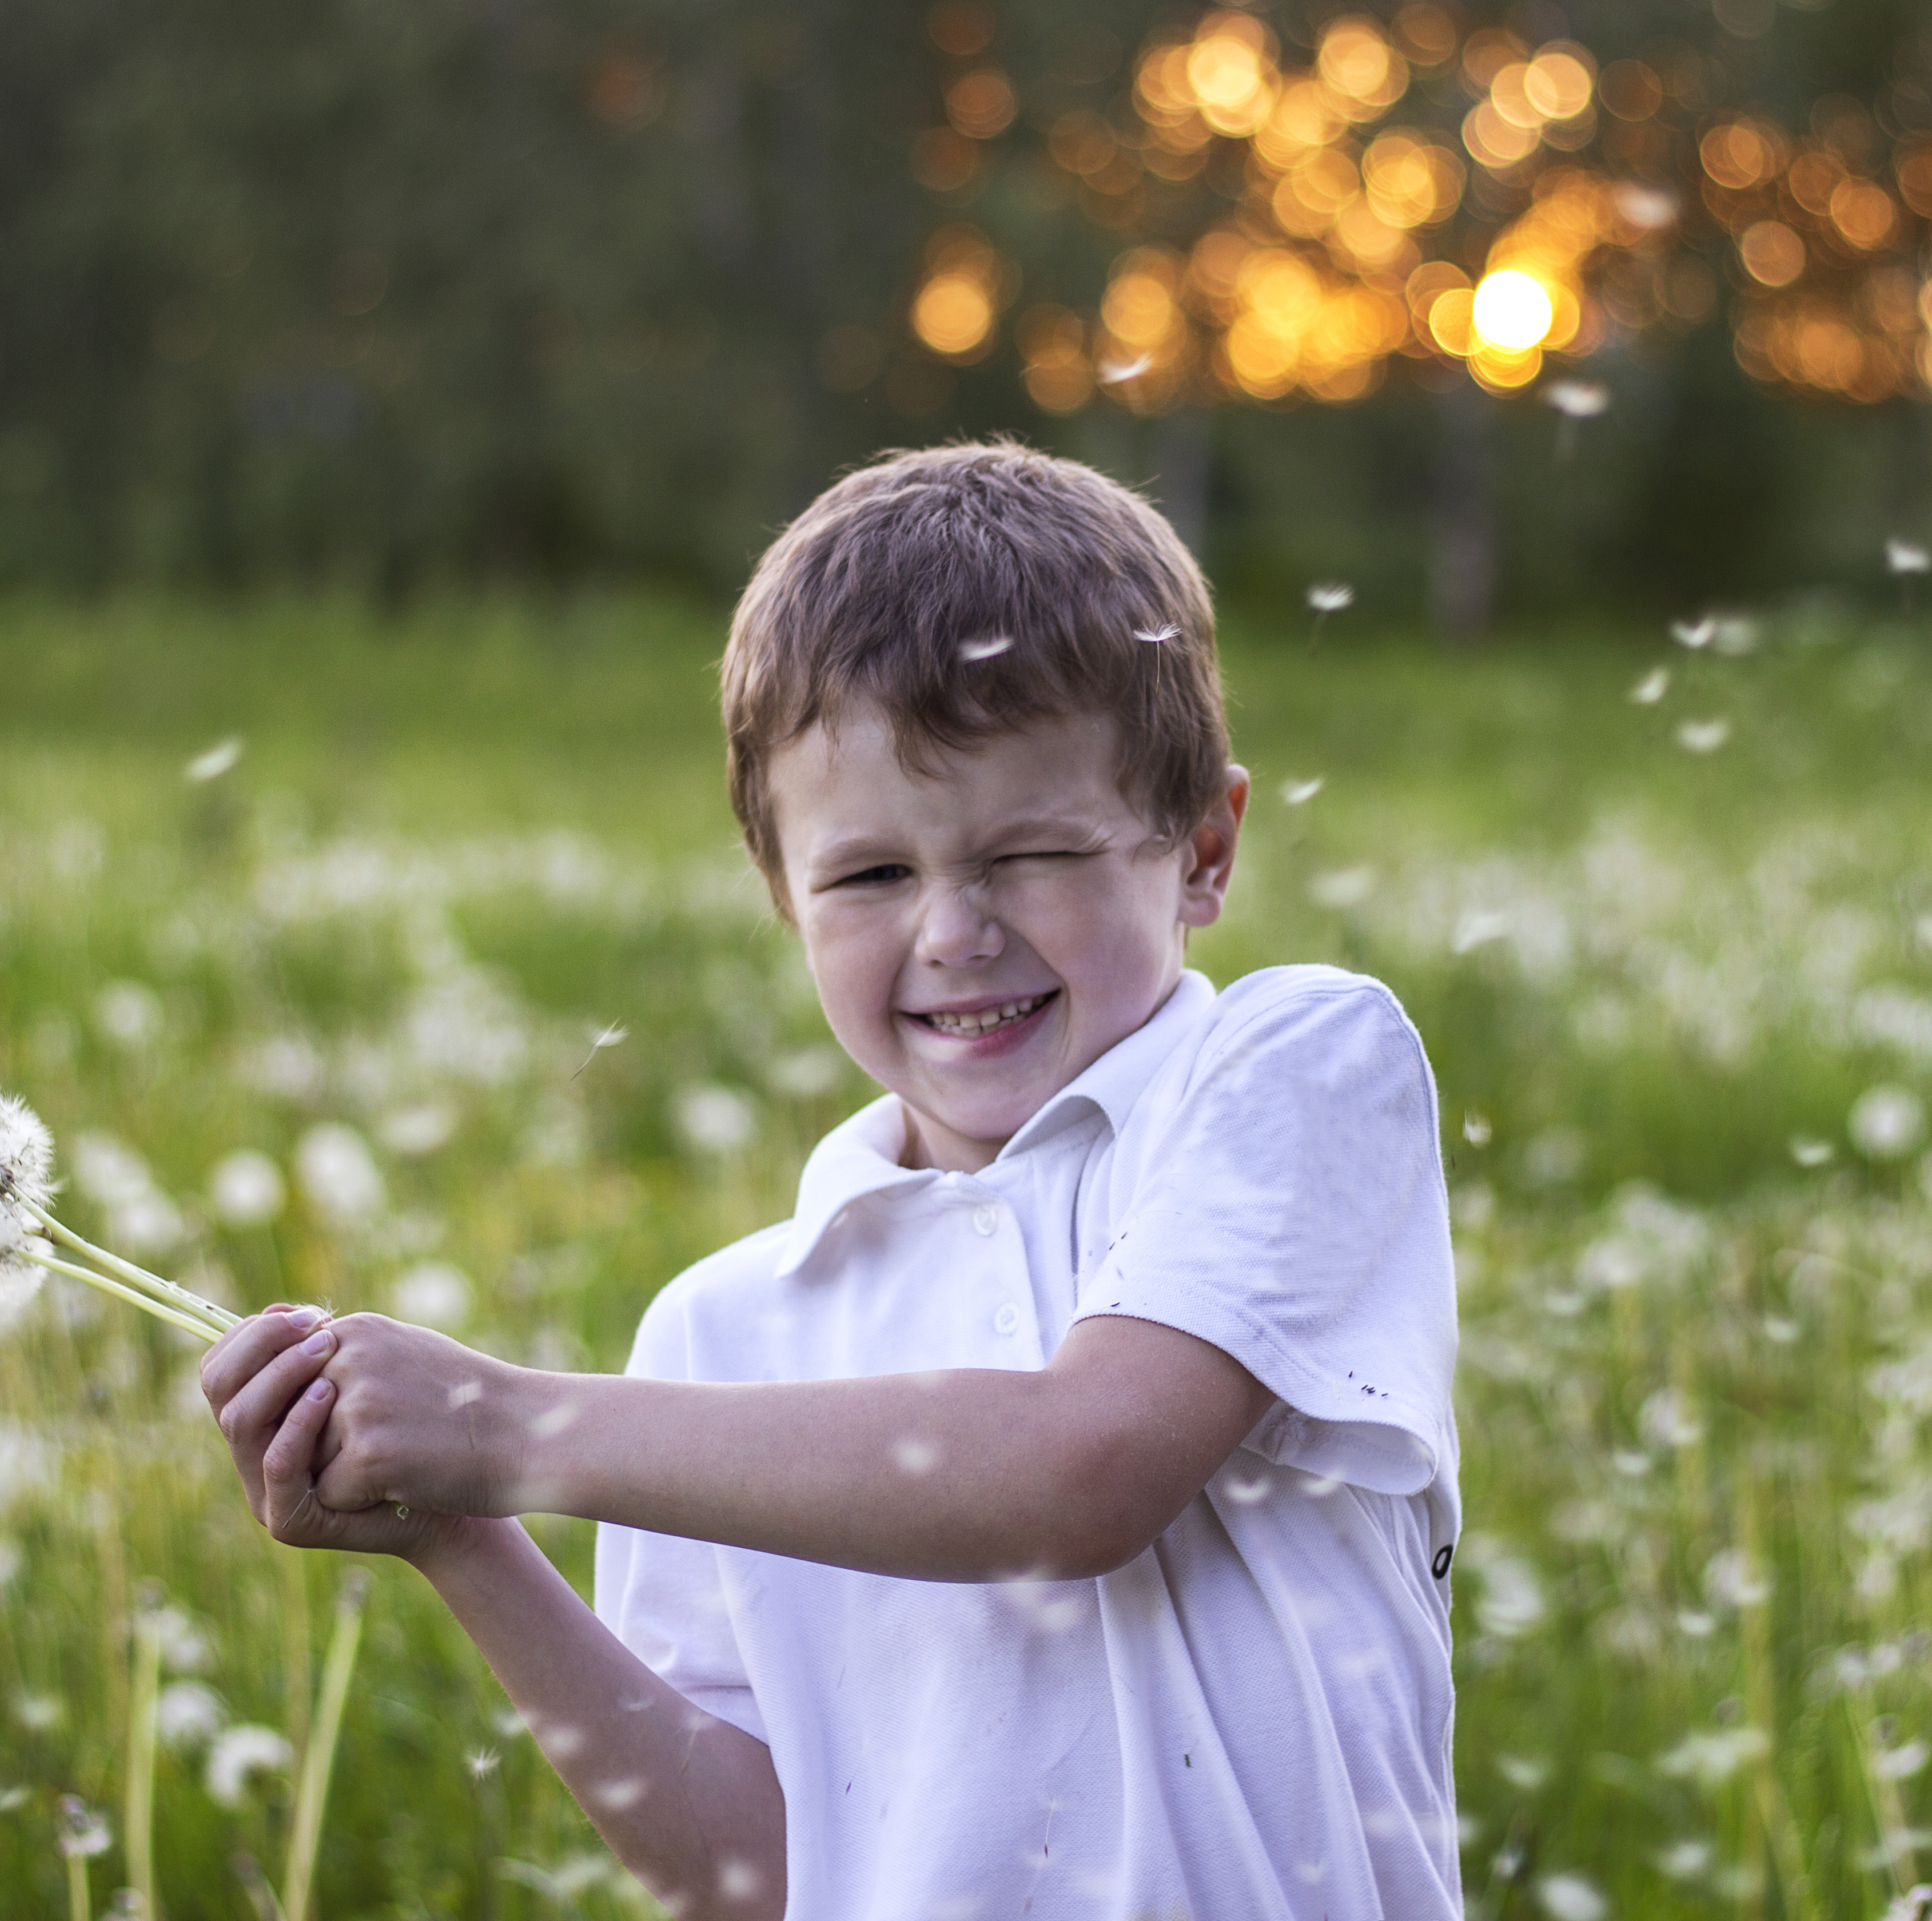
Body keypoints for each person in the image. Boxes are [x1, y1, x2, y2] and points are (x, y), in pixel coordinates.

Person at [201, 441, 1462, 1920]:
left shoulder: (1291, 1070)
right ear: (778, 888)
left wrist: (512, 1426)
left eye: (1033, 850)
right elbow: (761, 1874)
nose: (954, 931)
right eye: (869, 877)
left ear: (1202, 848)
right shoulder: (718, 1340)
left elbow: (1084, 1472)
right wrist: (465, 1544)